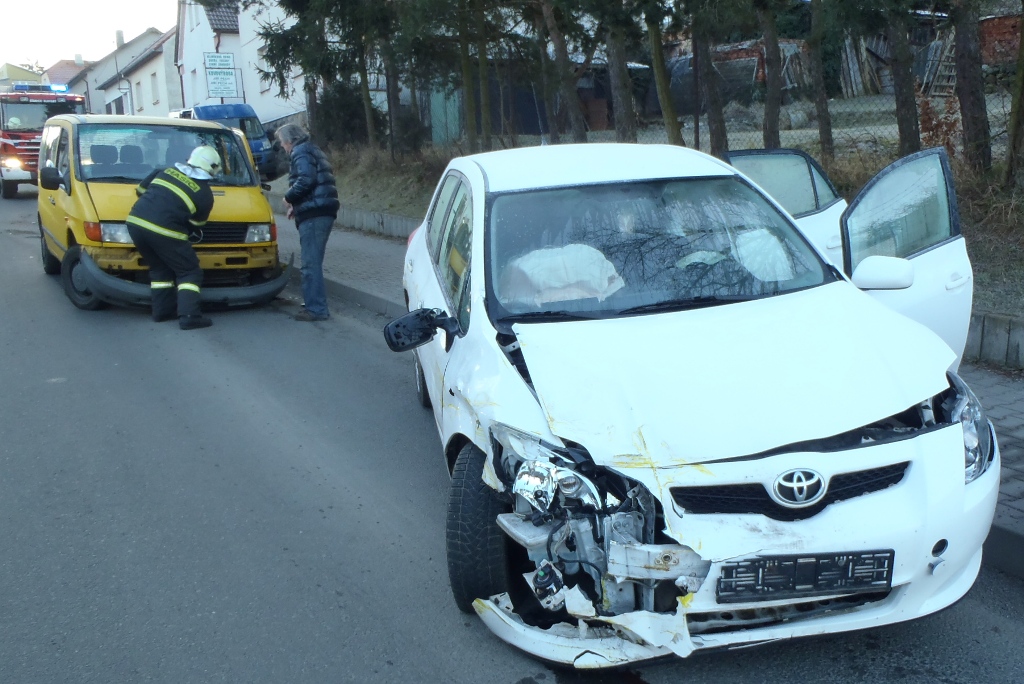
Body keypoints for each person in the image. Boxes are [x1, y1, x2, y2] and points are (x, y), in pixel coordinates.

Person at [125, 145, 220, 330]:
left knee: (159, 268)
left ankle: (162, 312)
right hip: (165, 231)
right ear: (212, 169)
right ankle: (189, 316)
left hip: (135, 223)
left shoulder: (164, 171)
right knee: (189, 271)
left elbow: (140, 191)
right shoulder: (205, 194)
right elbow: (195, 227)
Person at [276, 123, 340, 322]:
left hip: (315, 214)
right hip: (322, 209)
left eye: (282, 143)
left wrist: (288, 197)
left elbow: (306, 180)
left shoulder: (300, 152)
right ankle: (314, 302)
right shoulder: (312, 149)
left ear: (289, 141)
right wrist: (297, 206)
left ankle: (316, 308)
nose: (283, 148)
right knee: (314, 262)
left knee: (310, 263)